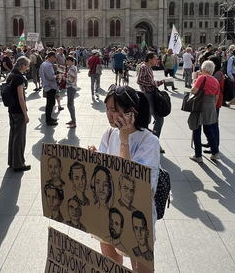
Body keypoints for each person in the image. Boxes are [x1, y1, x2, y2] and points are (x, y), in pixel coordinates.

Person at [90, 85, 161, 273]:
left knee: (141, 267)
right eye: (107, 109)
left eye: (114, 110)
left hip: (137, 217)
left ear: (130, 112)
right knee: (110, 259)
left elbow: (131, 182)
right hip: (109, 211)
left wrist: (124, 139)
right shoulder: (109, 133)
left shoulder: (149, 141)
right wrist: (94, 160)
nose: (108, 114)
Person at [188, 60, 221, 163]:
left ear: (204, 68)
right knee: (208, 129)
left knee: (196, 128)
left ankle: (198, 155)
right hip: (211, 105)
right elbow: (216, 97)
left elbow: (194, 91)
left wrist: (194, 83)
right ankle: (215, 153)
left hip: (200, 105)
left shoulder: (202, 78)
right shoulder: (215, 81)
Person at [6, 56, 31, 171]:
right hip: (19, 110)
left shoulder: (11, 75)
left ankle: (12, 161)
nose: (28, 67)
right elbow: (21, 97)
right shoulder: (19, 78)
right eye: (27, 65)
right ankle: (18, 164)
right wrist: (25, 114)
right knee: (19, 138)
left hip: (12, 110)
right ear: (23, 65)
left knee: (13, 135)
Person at [137, 53, 165, 140]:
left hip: (151, 93)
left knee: (157, 117)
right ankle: (154, 140)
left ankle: (152, 139)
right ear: (149, 59)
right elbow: (139, 80)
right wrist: (153, 84)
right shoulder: (144, 67)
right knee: (158, 118)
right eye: (155, 59)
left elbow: (149, 81)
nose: (157, 61)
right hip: (147, 94)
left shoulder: (149, 68)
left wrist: (160, 82)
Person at [40, 51, 60, 126]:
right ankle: (48, 120)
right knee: (50, 104)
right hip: (50, 86)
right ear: (51, 57)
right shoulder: (48, 65)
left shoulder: (43, 64)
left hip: (46, 85)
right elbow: (51, 77)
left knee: (50, 103)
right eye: (55, 57)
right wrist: (57, 76)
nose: (55, 59)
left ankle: (49, 118)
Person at [64, 56, 79, 128]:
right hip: (72, 87)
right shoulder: (72, 68)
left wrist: (63, 78)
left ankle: (74, 121)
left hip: (71, 87)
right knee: (69, 104)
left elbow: (70, 80)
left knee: (70, 105)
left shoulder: (72, 68)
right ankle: (73, 120)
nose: (66, 62)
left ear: (70, 61)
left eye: (67, 61)